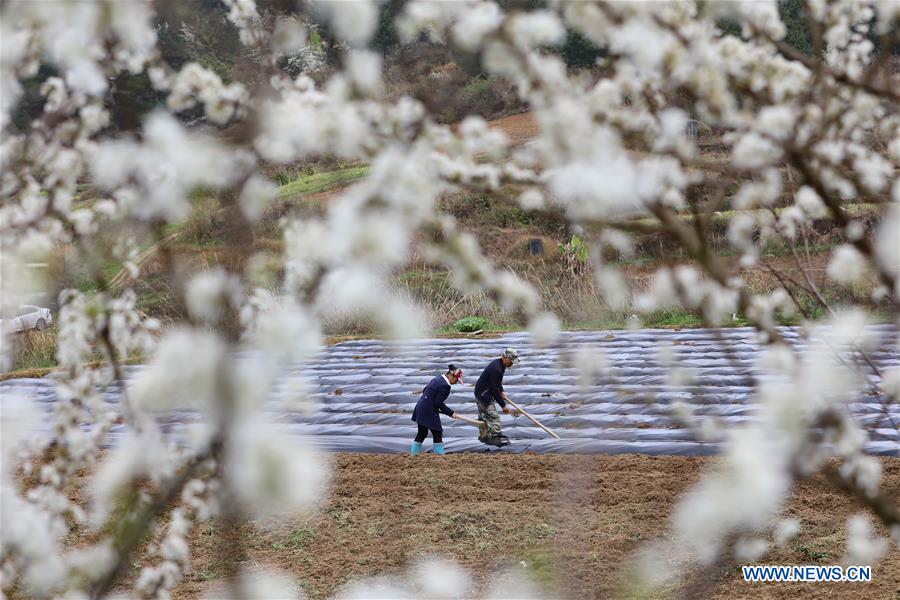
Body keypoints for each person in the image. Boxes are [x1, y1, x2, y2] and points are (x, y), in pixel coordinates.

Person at [411, 365, 463, 455]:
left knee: (422, 433)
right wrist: (451, 413)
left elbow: (425, 390)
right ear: (451, 376)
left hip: (421, 406)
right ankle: (439, 456)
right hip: (428, 410)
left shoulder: (437, 379)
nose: (456, 382)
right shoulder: (445, 386)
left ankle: (413, 454)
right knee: (437, 432)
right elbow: (438, 403)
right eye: (456, 380)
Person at [473, 347, 519, 447]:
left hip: (480, 392)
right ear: (505, 357)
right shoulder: (497, 369)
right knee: (493, 417)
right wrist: (503, 405)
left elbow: (496, 383)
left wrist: (501, 391)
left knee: (484, 416)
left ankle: (484, 436)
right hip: (484, 395)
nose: (512, 364)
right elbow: (494, 389)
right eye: (511, 361)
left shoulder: (499, 364)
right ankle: (494, 436)